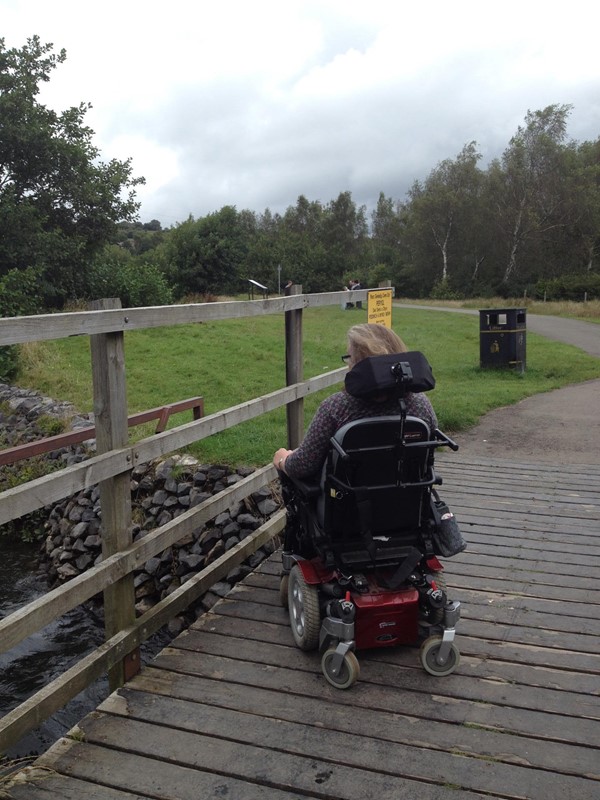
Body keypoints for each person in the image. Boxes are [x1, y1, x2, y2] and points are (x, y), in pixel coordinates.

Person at [273, 323, 438, 479]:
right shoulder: (420, 404)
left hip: (347, 505)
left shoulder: (337, 407)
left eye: (349, 357)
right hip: (408, 500)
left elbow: (303, 466)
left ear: (359, 364)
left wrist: (283, 459)